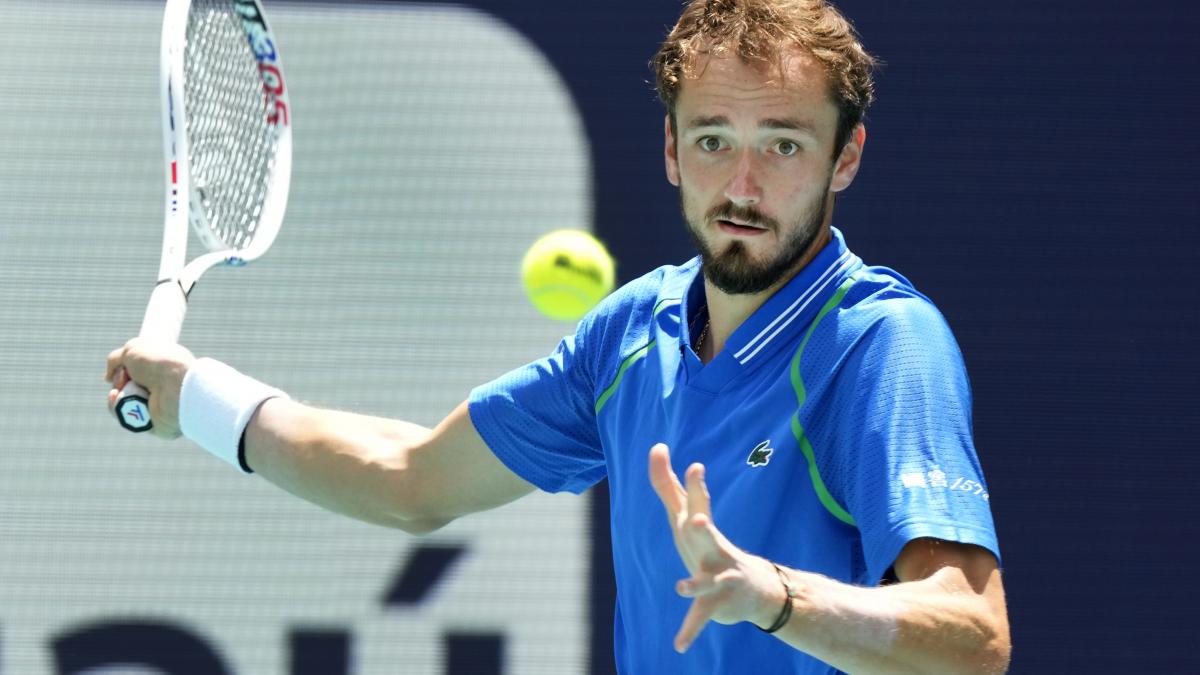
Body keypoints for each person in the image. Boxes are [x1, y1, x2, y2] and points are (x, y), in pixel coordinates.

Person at [107, 0, 1011, 672]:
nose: (741, 183)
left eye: (782, 144)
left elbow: (975, 635)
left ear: (843, 157)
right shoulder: (632, 334)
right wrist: (201, 401)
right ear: (669, 150)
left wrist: (774, 595)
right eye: (711, 140)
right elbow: (416, 475)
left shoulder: (882, 346)